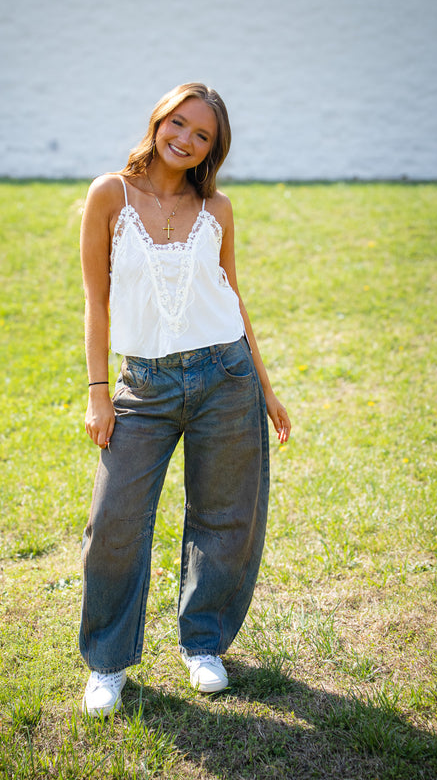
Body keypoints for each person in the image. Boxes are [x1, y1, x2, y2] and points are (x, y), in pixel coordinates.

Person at [79, 82, 291, 716]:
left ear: (212, 150)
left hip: (226, 377)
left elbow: (232, 297)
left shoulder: (217, 208)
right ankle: (109, 663)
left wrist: (267, 389)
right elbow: (97, 301)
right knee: (114, 523)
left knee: (225, 519)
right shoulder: (109, 195)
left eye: (203, 136)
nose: (186, 139)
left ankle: (204, 644)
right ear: (159, 119)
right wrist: (98, 395)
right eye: (179, 123)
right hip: (142, 385)